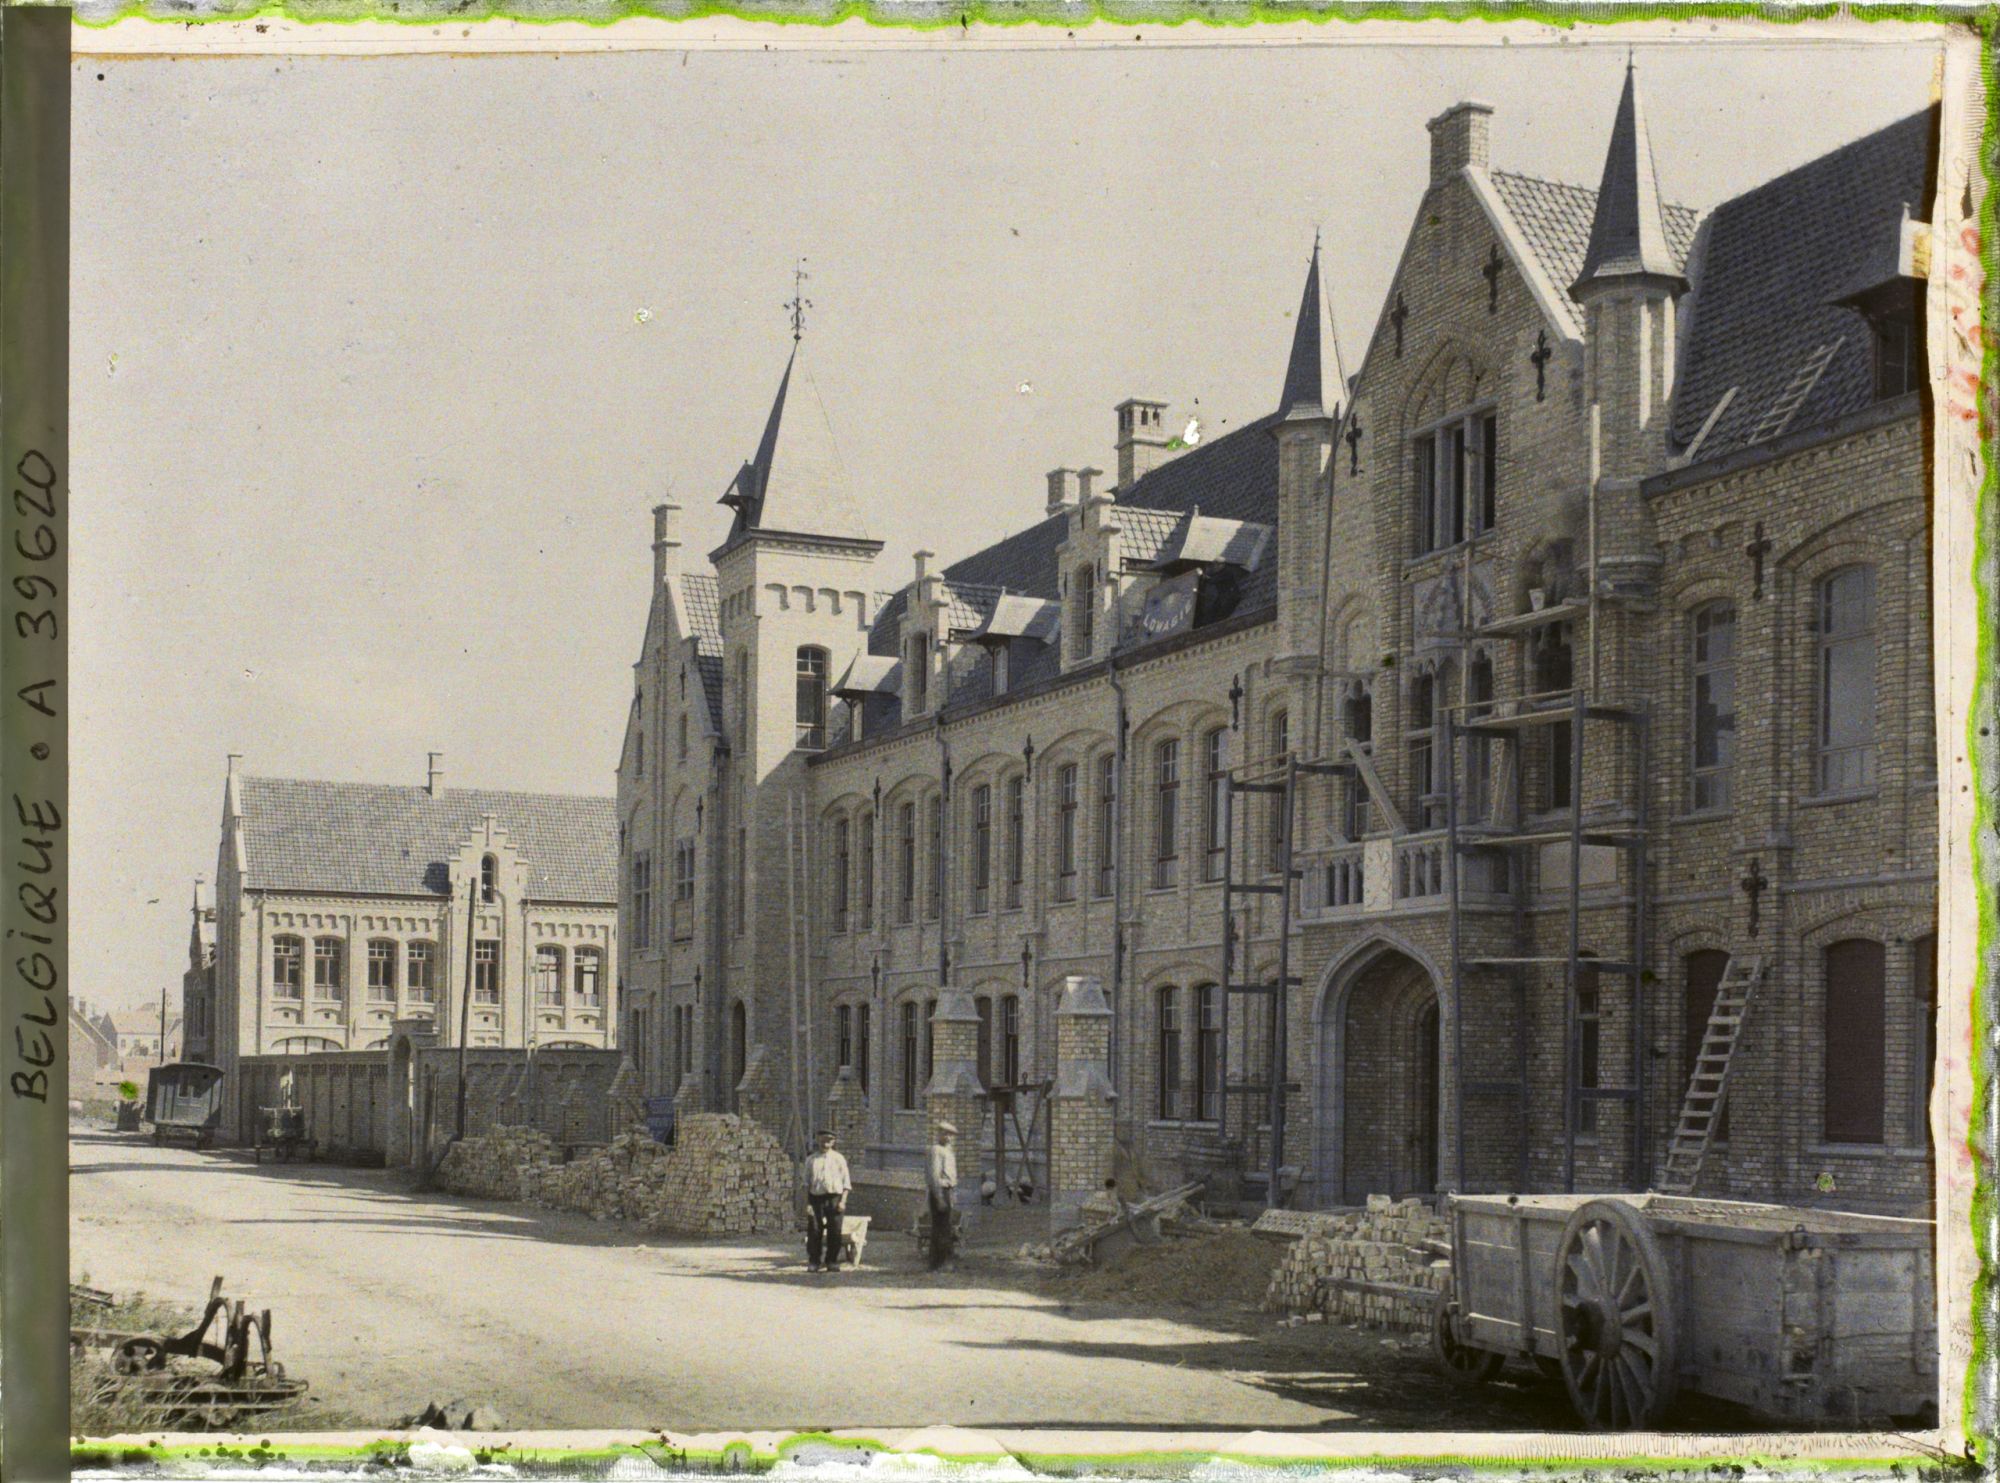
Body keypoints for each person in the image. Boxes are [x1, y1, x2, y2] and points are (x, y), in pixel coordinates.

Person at [803, 1128, 851, 1273]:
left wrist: (843, 1202)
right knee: (815, 1230)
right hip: (816, 1198)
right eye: (823, 1140)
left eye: (829, 1141)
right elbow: (806, 1184)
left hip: (834, 1198)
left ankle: (832, 1261)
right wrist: (808, 1204)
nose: (825, 1144)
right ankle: (814, 1261)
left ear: (833, 1142)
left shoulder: (839, 1159)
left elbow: (846, 1183)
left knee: (835, 1230)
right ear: (817, 1141)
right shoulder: (811, 1160)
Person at [925, 1121, 958, 1270]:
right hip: (940, 1191)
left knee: (946, 1228)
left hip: (948, 1191)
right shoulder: (936, 1150)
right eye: (946, 1134)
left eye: (951, 1135)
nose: (949, 1138)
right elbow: (934, 1176)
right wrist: (939, 1198)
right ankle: (939, 1263)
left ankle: (944, 1261)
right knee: (941, 1228)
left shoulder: (948, 1151)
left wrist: (953, 1195)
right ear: (940, 1134)